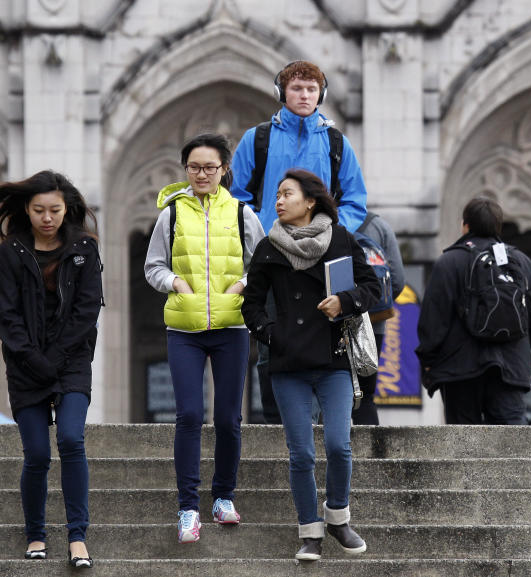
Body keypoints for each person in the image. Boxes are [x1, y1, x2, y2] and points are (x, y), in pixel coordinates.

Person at [241, 169, 379, 561]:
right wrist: (272, 335)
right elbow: (251, 304)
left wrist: (344, 302)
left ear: (311, 200)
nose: (279, 201)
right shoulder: (269, 247)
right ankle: (310, 533)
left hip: (332, 359)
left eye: (287, 194)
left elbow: (373, 287)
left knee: (338, 444)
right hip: (287, 364)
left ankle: (338, 517)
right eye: (278, 195)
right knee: (301, 453)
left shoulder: (340, 238)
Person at [231, 60, 369, 424]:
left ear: (320, 94)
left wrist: (335, 235)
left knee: (333, 336)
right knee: (268, 342)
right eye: (296, 88)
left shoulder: (337, 142)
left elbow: (355, 200)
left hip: (325, 255)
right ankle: (278, 422)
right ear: (282, 93)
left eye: (311, 89)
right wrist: (258, 233)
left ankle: (328, 420)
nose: (304, 95)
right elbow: (237, 196)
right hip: (272, 253)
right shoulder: (256, 139)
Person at [144, 134, 265, 543]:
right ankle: (188, 507)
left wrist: (242, 286)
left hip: (232, 328)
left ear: (224, 170)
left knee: (229, 417)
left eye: (209, 168)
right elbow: (153, 266)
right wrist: (175, 281)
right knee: (189, 415)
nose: (201, 174)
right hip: (184, 329)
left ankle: (223, 497)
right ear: (186, 169)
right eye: (194, 167)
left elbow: (262, 266)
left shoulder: (243, 213)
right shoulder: (172, 215)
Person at [0, 170, 102, 568]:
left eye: (55, 210)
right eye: (38, 210)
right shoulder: (13, 250)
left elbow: (87, 311)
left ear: (67, 208)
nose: (47, 218)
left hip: (71, 361)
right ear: (26, 210)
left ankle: (78, 536)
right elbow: (5, 316)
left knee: (70, 439)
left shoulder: (84, 247)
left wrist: (58, 358)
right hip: (26, 364)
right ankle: (35, 534)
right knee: (36, 454)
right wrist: (34, 359)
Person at [415, 197, 531, 425]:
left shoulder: (449, 262)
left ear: (465, 225)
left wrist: (428, 358)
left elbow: (433, 318)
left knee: (465, 443)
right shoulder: (521, 262)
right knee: (512, 443)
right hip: (511, 365)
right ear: (499, 226)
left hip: (460, 368)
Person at [353, 213, 406, 424]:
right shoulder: (379, 226)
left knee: (327, 394)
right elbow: (398, 280)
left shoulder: (319, 221)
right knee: (365, 396)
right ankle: (369, 455)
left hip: (330, 323)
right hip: (373, 324)